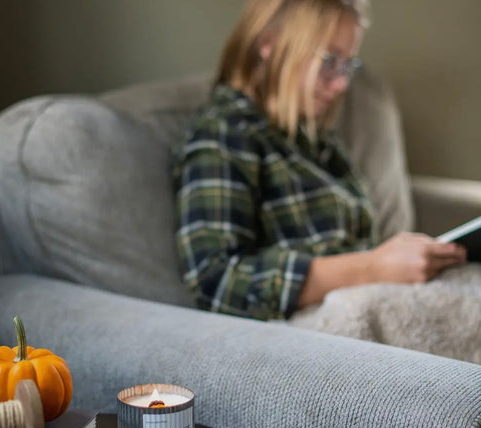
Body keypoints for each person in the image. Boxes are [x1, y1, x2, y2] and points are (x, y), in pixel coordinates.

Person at [171, 0, 466, 322]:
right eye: (329, 61)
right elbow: (216, 282)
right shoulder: (225, 134)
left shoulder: (316, 141)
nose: (341, 84)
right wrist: (373, 267)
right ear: (270, 44)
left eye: (347, 66)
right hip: (318, 328)